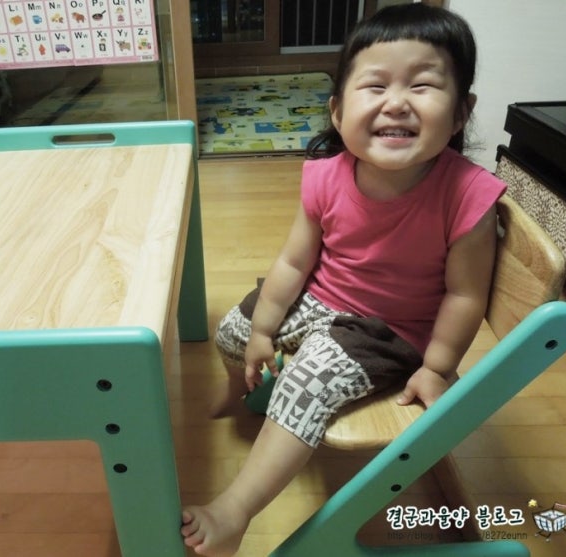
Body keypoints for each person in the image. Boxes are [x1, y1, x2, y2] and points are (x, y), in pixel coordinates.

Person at [181, 3, 508, 556]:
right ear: (337, 111)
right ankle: (241, 387)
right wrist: (262, 329)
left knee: (307, 381)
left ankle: (235, 511)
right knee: (233, 330)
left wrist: (437, 368)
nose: (397, 102)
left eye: (423, 85)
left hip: (387, 330)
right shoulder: (325, 176)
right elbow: (293, 264)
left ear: (460, 114)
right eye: (375, 85)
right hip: (321, 297)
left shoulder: (468, 196)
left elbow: (465, 294)